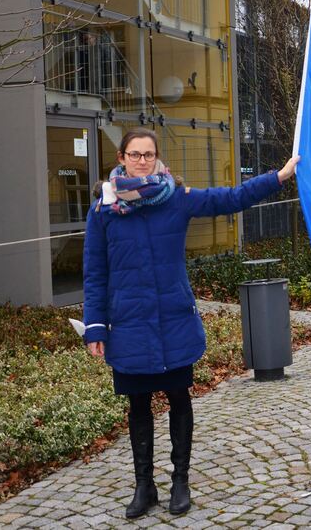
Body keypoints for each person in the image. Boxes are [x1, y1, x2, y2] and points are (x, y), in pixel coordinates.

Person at [82, 127, 299, 519]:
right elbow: (95, 271)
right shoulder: (103, 209)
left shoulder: (175, 199)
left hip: (172, 321)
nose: (142, 160)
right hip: (129, 323)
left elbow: (230, 199)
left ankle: (180, 481)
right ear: (121, 158)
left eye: (149, 154)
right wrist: (95, 326)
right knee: (138, 405)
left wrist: (278, 177)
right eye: (135, 154)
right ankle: (144, 486)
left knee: (180, 399)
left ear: (157, 158)